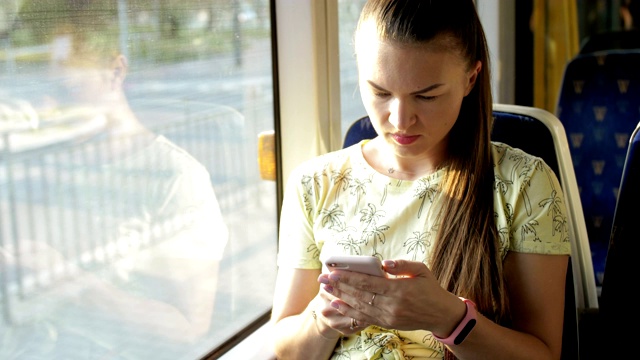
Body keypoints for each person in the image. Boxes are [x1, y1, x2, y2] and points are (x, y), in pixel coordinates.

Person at [270, 1, 570, 359]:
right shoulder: (314, 184)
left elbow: (543, 355)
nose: (400, 120)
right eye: (380, 92)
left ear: (470, 79)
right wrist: (324, 318)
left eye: (426, 96)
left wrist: (450, 319)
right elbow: (282, 350)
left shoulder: (523, 185)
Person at [0, 2, 228, 358]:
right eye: (39, 93)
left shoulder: (175, 179)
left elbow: (188, 328)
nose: (47, 110)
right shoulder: (46, 161)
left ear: (115, 71)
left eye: (65, 91)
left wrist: (66, 281)